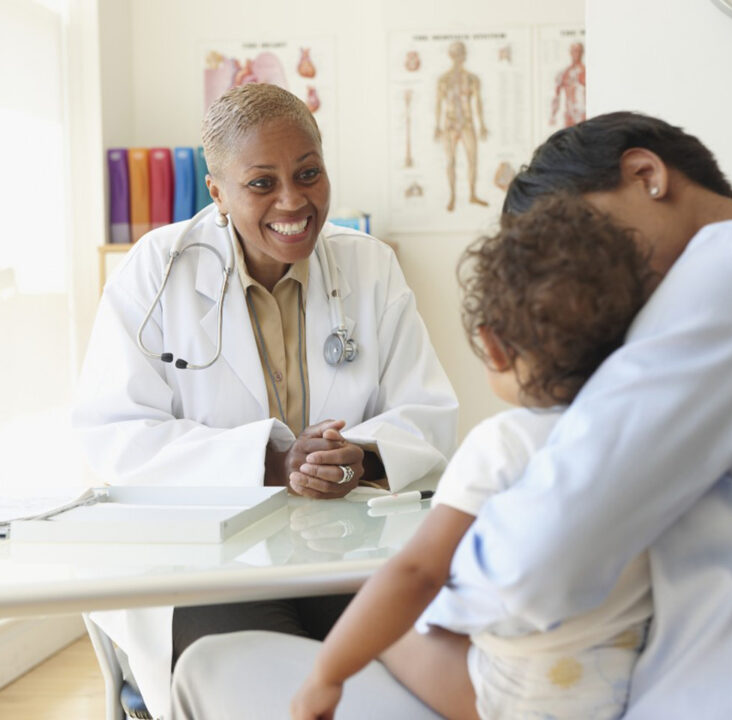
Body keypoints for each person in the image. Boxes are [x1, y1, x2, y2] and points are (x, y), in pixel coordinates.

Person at [170, 111, 732, 720]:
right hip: (612, 677)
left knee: (211, 662)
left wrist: (420, 608)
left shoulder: (731, 272)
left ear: (646, 175)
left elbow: (531, 567)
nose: (596, 278)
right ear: (218, 192)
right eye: (262, 183)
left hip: (593, 681)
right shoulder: (704, 284)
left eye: (585, 247)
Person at [72, 82, 458, 719]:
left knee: (412, 675)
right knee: (266, 687)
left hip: (349, 549)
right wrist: (274, 462)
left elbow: (428, 409)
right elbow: (115, 433)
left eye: (309, 173)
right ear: (217, 191)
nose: (293, 201)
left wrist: (358, 456)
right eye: (261, 183)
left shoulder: (370, 266)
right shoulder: (155, 270)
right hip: (205, 563)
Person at [289, 193, 657, 720]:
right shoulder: (646, 433)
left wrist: (327, 676)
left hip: (517, 697)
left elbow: (416, 573)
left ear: (494, 346)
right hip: (616, 686)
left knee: (388, 617)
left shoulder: (503, 443)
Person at [434, 41, 489, 212]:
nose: (458, 57)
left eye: (461, 53)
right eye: (455, 53)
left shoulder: (472, 79)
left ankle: (472, 194)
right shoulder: (443, 79)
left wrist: (482, 124)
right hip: (449, 124)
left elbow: (478, 102)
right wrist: (437, 125)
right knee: (451, 161)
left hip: (467, 123)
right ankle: (452, 197)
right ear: (451, 56)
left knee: (472, 159)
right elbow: (438, 103)